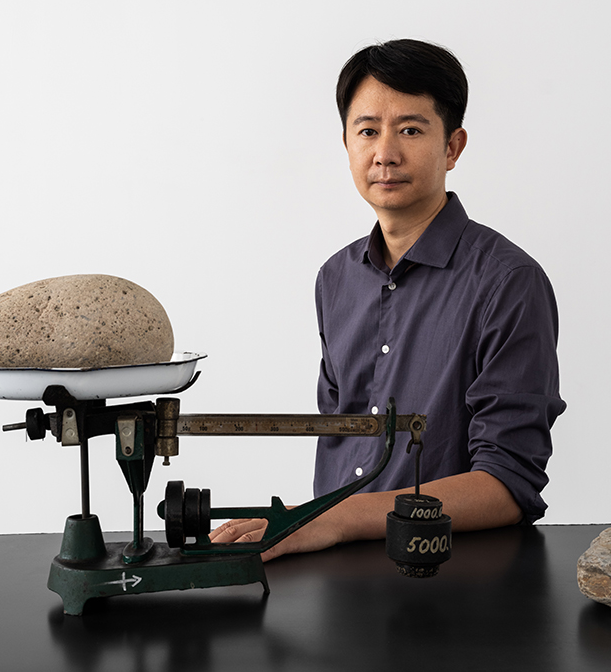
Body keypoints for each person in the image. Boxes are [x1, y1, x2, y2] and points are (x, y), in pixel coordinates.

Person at [211, 39, 565, 560]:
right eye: (368, 131)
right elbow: (340, 438)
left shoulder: (508, 281)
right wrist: (309, 524)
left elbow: (508, 484)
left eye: (411, 130)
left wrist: (327, 519)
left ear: (453, 147)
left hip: (449, 574)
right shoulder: (335, 278)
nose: (385, 154)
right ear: (347, 143)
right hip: (334, 569)